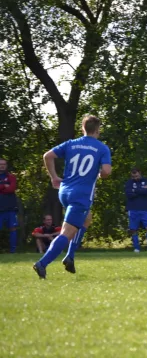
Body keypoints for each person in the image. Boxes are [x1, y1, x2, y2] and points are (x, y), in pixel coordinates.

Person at [33, 115, 112, 279]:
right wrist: (97, 173)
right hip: (81, 195)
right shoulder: (102, 148)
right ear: (97, 130)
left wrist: (53, 177)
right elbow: (106, 172)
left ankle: (70, 257)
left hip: (65, 191)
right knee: (66, 233)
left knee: (87, 218)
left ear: (83, 128)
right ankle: (42, 263)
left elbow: (47, 156)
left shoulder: (71, 143)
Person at [125, 168, 147, 253]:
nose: (135, 178)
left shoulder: (146, 181)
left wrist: (135, 190)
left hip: (144, 209)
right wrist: (141, 190)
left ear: (140, 173)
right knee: (133, 229)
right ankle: (136, 248)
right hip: (133, 209)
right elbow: (128, 194)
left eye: (136, 176)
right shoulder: (129, 183)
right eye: (133, 176)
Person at [0, 158, 18, 253]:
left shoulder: (11, 177)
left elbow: (12, 189)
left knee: (13, 228)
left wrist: (1, 187)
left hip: (10, 208)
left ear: (6, 165)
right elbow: (7, 188)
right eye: (0, 164)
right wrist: (4, 186)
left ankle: (13, 251)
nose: (2, 166)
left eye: (4, 164)